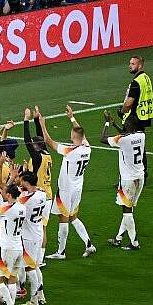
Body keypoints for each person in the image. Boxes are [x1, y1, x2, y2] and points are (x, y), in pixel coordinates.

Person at [37, 106, 98, 260]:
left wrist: (42, 124)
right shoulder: (87, 148)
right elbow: (80, 133)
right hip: (78, 187)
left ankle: (61, 252)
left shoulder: (70, 151)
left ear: (73, 136)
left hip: (66, 189)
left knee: (63, 218)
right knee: (73, 217)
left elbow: (48, 141)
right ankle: (88, 243)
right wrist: (72, 118)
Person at [102, 110, 146, 251]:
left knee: (127, 211)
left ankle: (134, 242)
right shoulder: (141, 135)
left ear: (129, 126)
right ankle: (119, 238)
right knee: (129, 209)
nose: (124, 124)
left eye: (125, 123)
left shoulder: (122, 140)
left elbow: (103, 139)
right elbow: (126, 133)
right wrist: (116, 125)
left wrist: (107, 122)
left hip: (128, 180)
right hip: (140, 177)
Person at [16, 172, 52, 305]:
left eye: (22, 181)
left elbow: (13, 198)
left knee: (30, 268)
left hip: (28, 237)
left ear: (26, 182)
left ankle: (34, 300)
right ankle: (41, 296)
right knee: (35, 266)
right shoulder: (41, 194)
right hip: (37, 233)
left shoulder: (26, 200)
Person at [119, 56, 153, 133]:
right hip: (144, 115)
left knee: (130, 142)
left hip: (134, 117)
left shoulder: (136, 82)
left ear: (140, 66)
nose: (129, 66)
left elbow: (128, 104)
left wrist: (122, 111)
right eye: (130, 64)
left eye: (133, 64)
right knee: (139, 141)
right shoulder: (146, 78)